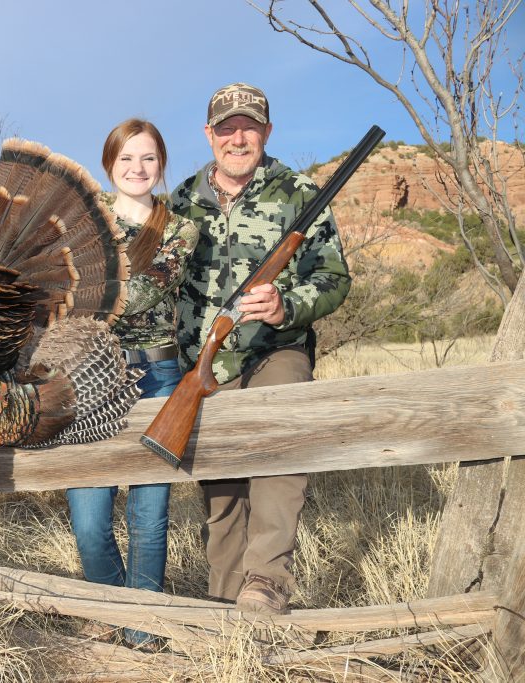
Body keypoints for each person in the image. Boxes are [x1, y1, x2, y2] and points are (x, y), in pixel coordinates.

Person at [168, 83, 351, 614]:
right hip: (205, 363)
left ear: (267, 132)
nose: (238, 137)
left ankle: (267, 583)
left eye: (249, 126)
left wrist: (285, 305)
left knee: (280, 443)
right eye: (226, 128)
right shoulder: (180, 202)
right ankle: (226, 602)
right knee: (221, 492)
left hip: (277, 350)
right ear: (209, 135)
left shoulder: (301, 193)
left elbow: (334, 277)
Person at [66, 118, 197, 646]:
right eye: (126, 159)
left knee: (149, 510)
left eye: (148, 159)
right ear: (109, 165)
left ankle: (141, 629)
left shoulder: (181, 230)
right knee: (89, 516)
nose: (137, 169)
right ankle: (111, 602)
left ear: (161, 165)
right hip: (93, 375)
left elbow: (138, 296)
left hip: (159, 373)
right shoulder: (78, 219)